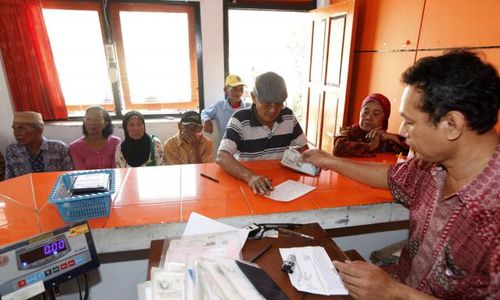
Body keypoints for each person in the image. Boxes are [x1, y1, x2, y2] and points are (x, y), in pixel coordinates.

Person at [302, 50, 499, 299]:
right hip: (402, 281)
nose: (403, 132)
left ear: (452, 125)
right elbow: (391, 176)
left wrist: (392, 292)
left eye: (411, 122)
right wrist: (331, 161)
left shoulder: (492, 215)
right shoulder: (433, 167)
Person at [216, 71, 308, 195]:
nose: (273, 110)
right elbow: (222, 157)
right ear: (254, 97)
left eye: (279, 104)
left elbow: (303, 149)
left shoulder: (288, 116)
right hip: (247, 183)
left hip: (281, 187)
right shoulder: (240, 119)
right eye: (268, 104)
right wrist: (251, 177)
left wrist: (308, 161)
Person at [334, 93, 408, 157]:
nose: (368, 118)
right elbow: (337, 148)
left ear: (384, 119)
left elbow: (414, 152)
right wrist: (371, 146)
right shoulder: (351, 132)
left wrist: (392, 137)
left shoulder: (386, 140)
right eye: (365, 112)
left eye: (376, 114)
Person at [5, 111, 73, 179]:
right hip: (23, 189)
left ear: (39, 130)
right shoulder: (12, 150)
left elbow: (70, 177)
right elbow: (9, 180)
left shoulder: (59, 148)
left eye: (21, 128)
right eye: (14, 128)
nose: (16, 133)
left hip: (55, 188)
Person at [201, 74, 251, 142]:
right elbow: (204, 112)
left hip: (245, 149)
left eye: (241, 89)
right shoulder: (219, 106)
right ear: (225, 90)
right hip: (226, 148)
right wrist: (206, 120)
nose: (238, 92)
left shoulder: (248, 107)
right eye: (234, 88)